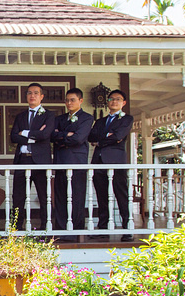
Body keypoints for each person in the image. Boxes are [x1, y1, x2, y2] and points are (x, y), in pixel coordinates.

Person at [88, 89, 134, 242]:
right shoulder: (101, 121)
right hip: (99, 161)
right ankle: (103, 229)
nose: (114, 102)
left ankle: (127, 229)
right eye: (111, 99)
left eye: (118, 99)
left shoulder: (126, 119)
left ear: (123, 103)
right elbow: (91, 136)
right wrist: (109, 137)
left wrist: (102, 140)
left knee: (121, 195)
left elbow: (119, 136)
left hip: (116, 162)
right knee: (102, 197)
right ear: (107, 102)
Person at [10, 83, 55, 231]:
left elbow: (45, 135)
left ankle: (45, 225)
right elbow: (13, 137)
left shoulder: (48, 115)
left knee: (44, 196)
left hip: (40, 161)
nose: (32, 95)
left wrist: (25, 133)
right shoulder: (21, 116)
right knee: (18, 196)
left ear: (41, 96)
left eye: (36, 93)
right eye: (29, 93)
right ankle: (16, 226)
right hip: (22, 159)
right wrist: (34, 135)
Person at [51, 88, 94, 239]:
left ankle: (76, 231)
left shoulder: (87, 118)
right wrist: (66, 135)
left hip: (77, 163)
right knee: (61, 197)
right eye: (67, 100)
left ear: (80, 101)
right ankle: (62, 230)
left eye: (73, 100)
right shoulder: (59, 119)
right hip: (60, 161)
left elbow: (79, 139)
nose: (69, 103)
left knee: (76, 196)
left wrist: (62, 138)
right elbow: (52, 136)